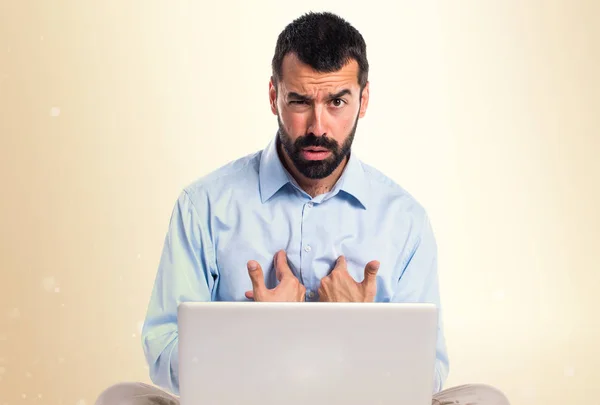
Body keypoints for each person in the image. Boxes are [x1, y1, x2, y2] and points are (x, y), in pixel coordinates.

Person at [95, 11, 510, 405]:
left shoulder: (404, 219)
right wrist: (258, 334)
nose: (317, 126)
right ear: (274, 95)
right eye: (299, 102)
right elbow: (163, 352)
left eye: (337, 102)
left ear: (363, 101)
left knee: (486, 399)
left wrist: (362, 334)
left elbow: (428, 374)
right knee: (121, 398)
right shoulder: (203, 205)